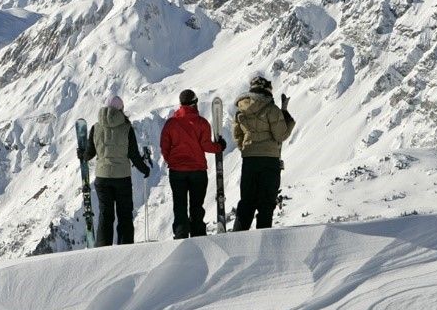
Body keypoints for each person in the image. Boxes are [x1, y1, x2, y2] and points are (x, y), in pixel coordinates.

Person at [80, 95, 151, 246]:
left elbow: (89, 154)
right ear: (121, 110)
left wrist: (82, 154)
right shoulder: (127, 128)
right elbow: (133, 155)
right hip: (122, 178)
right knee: (124, 216)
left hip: (102, 177)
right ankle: (125, 249)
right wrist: (145, 169)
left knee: (106, 216)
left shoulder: (95, 128)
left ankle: (102, 249)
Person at [160, 89, 225, 239]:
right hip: (197, 171)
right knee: (196, 206)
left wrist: (171, 160)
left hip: (177, 171)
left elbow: (164, 146)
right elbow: (206, 146)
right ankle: (198, 234)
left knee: (180, 205)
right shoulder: (201, 122)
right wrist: (220, 146)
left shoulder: (171, 123)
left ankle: (181, 234)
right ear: (195, 103)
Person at [232, 75, 295, 230]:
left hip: (249, 160)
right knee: (266, 203)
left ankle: (235, 239)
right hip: (269, 160)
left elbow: (237, 135)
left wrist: (247, 148)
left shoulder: (241, 109)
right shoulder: (271, 109)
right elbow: (281, 135)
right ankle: (263, 240)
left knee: (247, 201)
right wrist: (285, 113)